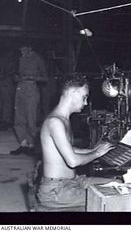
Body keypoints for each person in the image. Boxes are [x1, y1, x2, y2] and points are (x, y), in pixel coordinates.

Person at [37, 74, 118, 209]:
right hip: (57, 191)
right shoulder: (55, 122)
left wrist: (92, 150)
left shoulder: (62, 119)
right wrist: (97, 153)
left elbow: (68, 149)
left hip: (73, 182)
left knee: (117, 183)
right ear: (73, 93)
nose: (86, 103)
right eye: (84, 97)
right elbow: (72, 161)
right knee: (114, 198)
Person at [10, 43, 48, 155]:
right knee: (18, 118)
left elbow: (45, 78)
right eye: (20, 49)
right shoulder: (20, 59)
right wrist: (16, 77)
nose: (21, 51)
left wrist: (31, 77)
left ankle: (32, 146)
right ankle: (23, 144)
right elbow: (15, 74)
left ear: (30, 48)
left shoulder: (38, 59)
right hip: (20, 89)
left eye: (24, 49)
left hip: (31, 90)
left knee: (31, 119)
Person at [0, 49, 17, 131]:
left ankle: (6, 122)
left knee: (7, 104)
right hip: (4, 84)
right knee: (3, 104)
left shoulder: (12, 62)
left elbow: (12, 71)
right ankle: (3, 122)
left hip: (7, 84)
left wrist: (4, 76)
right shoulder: (4, 60)